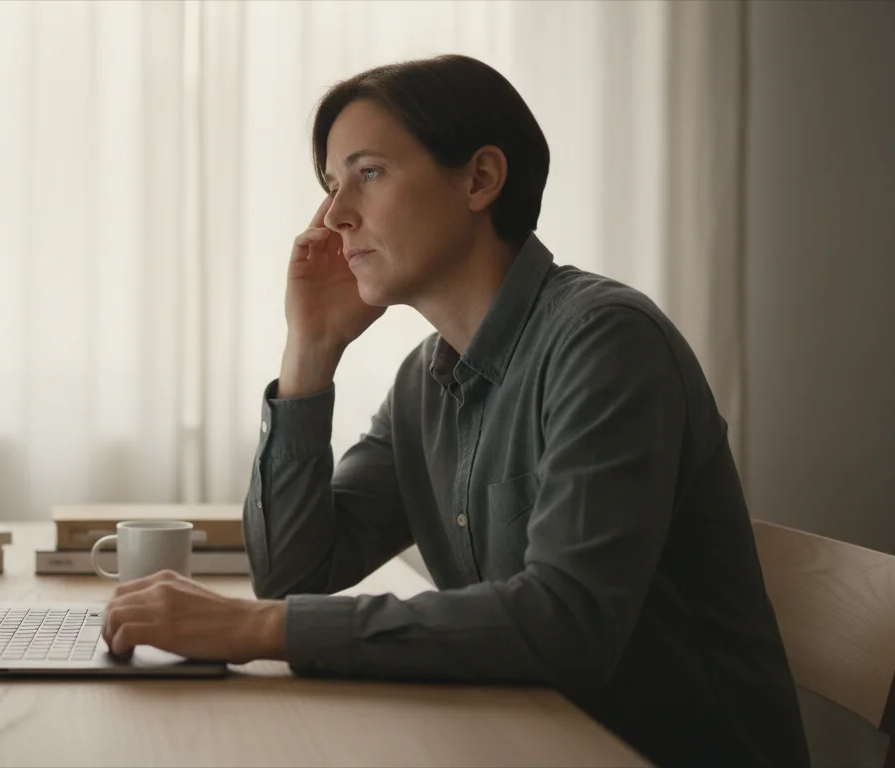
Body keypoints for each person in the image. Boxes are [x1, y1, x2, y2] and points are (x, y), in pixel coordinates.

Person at [101, 54, 810, 767]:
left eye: (368, 173)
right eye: (330, 185)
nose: (335, 216)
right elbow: (294, 572)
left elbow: (565, 623)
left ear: (479, 179)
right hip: (529, 742)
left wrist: (258, 629)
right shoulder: (426, 381)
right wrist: (310, 350)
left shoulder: (606, 342)